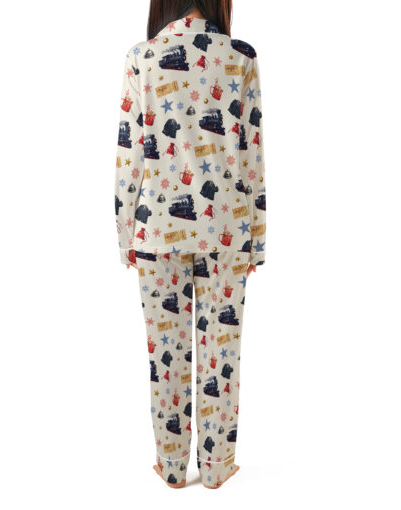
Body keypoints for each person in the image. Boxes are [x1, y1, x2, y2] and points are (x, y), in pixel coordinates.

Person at [114, 0, 266, 489]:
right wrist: (257, 240)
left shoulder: (141, 57)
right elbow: (252, 154)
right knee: (222, 349)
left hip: (156, 227)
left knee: (166, 354)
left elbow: (129, 153)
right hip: (228, 226)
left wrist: (125, 233)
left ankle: (173, 466)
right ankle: (217, 468)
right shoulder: (241, 57)